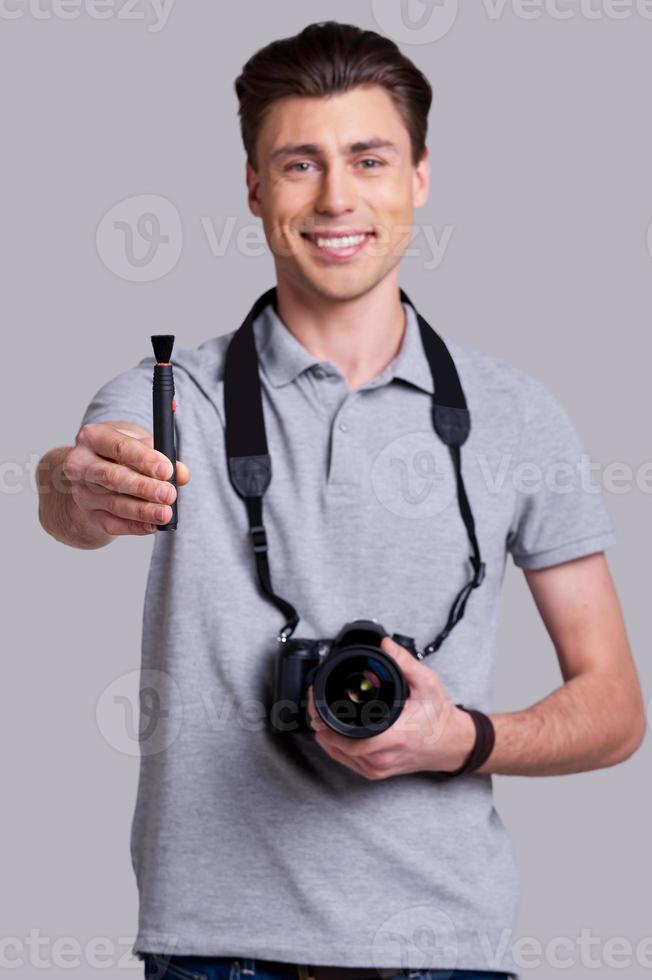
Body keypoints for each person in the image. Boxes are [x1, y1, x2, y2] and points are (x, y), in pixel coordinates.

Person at [37, 20, 645, 980]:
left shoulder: (519, 415)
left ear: (419, 178)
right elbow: (82, 481)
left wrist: (463, 739)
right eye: (297, 164)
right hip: (212, 953)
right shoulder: (175, 397)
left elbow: (614, 706)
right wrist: (79, 486)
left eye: (368, 158)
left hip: (447, 950)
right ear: (252, 189)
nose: (335, 198)